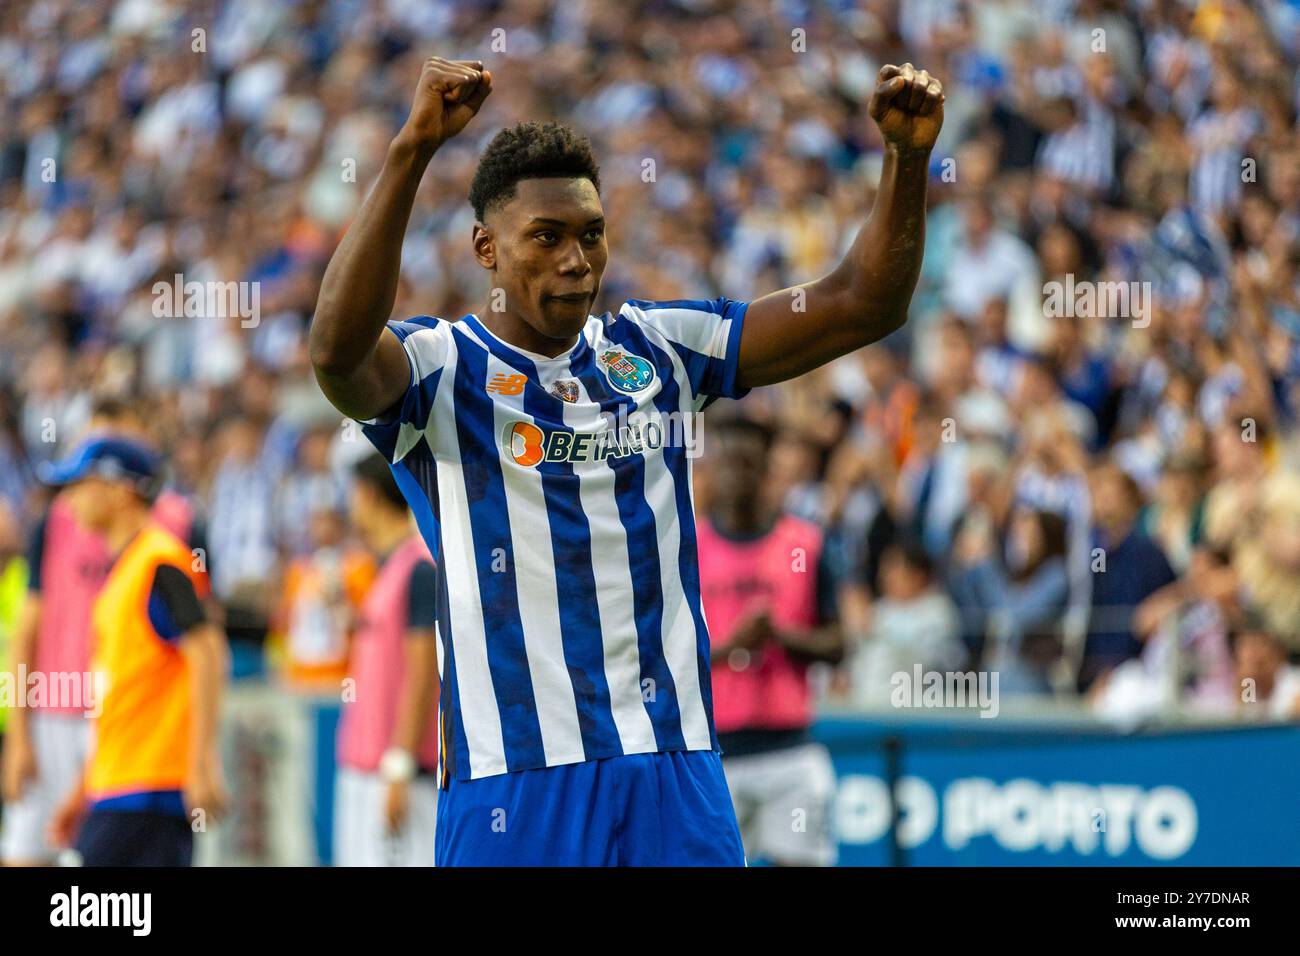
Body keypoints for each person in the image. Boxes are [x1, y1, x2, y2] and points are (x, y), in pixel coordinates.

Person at [309, 56, 943, 866]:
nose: (576, 260)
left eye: (591, 234)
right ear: (486, 249)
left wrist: (907, 158)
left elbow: (862, 302)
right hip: (515, 779)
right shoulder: (439, 372)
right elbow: (335, 352)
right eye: (546, 237)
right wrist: (413, 149)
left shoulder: (660, 349)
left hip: (672, 768)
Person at [1, 400, 204, 866]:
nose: (73, 492)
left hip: (135, 735)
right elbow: (25, 630)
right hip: (57, 712)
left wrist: (199, 757)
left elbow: (202, 644)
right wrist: (18, 734)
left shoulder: (169, 533)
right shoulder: (57, 521)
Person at [41, 436, 227, 866]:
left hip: (151, 789)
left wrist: (201, 763)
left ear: (119, 489)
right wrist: (83, 792)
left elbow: (208, 650)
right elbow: (122, 699)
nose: (68, 502)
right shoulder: (127, 571)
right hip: (120, 787)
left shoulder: (158, 561)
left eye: (78, 485)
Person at [698, 415, 842, 867]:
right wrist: (733, 645)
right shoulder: (688, 546)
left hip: (791, 750)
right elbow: (663, 658)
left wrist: (780, 635)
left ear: (768, 471)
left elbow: (838, 643)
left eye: (749, 464)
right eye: (730, 462)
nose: (737, 474)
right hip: (714, 756)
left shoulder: (804, 544)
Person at [333, 454, 440, 867]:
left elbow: (422, 672)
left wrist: (399, 765)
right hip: (362, 767)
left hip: (399, 775)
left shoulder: (418, 569)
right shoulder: (383, 569)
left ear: (370, 495)